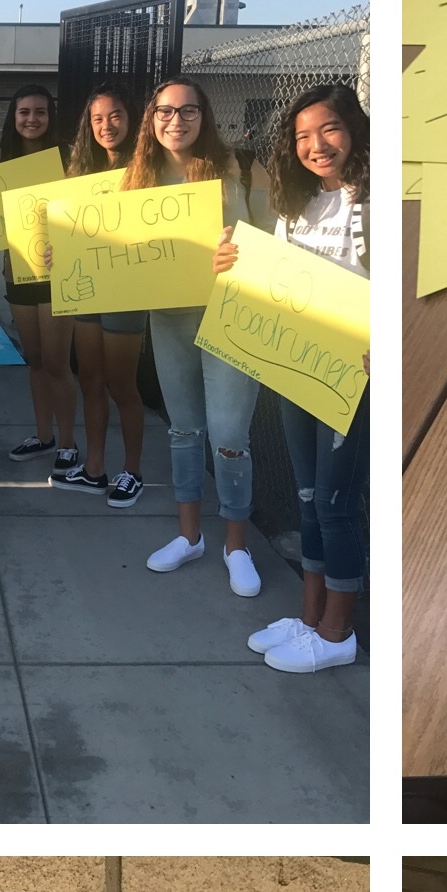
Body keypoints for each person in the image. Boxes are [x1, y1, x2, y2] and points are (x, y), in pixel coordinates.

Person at [236, 81, 370, 673]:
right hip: (298, 368)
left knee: (338, 505)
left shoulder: (376, 202)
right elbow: (275, 278)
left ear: (355, 130)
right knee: (309, 498)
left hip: (352, 377)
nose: (317, 146)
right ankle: (311, 616)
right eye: (302, 136)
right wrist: (231, 260)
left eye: (329, 130)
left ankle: (339, 632)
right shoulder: (296, 205)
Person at [129, 77, 261, 596]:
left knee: (229, 435)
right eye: (165, 111)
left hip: (231, 316)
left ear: (204, 116)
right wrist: (61, 256)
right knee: (183, 429)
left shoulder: (238, 168)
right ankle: (189, 536)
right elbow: (102, 246)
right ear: (151, 118)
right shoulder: (135, 181)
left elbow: (275, 239)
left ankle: (236, 545)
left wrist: (240, 252)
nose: (176, 120)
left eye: (188, 110)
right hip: (169, 317)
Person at [0, 85, 79, 477]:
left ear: (50, 116)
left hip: (57, 270)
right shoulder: (3, 159)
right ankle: (43, 435)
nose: (32, 119)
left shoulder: (68, 157)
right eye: (24, 112)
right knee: (34, 359)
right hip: (17, 268)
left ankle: (68, 442)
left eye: (40, 111)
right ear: (13, 117)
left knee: (56, 362)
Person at [51, 83, 144, 505]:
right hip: (85, 286)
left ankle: (133, 471)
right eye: (98, 119)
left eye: (116, 116)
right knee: (89, 378)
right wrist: (55, 249)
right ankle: (94, 469)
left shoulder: (147, 170)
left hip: (125, 288)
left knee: (121, 383)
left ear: (132, 119)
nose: (107, 126)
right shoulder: (80, 175)